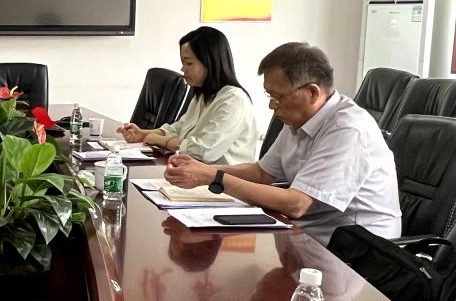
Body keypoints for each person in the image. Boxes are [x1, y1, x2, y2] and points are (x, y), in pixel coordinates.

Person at [164, 42, 402, 245]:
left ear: (312, 92)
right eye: (270, 96)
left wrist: (213, 178)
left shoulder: (347, 129)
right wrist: (203, 170)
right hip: (304, 236)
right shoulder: (300, 119)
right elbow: (262, 172)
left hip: (356, 255)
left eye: (278, 97)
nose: (272, 106)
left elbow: (297, 204)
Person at [119, 26, 257, 165]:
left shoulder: (233, 100)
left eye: (189, 63)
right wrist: (143, 134)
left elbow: (204, 151)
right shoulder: (202, 95)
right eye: (183, 63)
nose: (183, 69)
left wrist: (161, 141)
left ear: (211, 62)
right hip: (194, 171)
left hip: (221, 177)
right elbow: (179, 128)